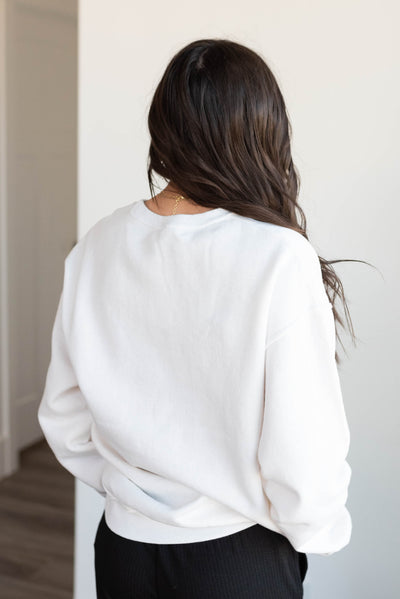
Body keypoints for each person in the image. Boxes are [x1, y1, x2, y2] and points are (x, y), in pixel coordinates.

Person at [37, 38, 359, 598]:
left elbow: (64, 417)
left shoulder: (98, 244)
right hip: (237, 556)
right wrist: (314, 532)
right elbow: (302, 447)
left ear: (162, 126)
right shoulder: (278, 256)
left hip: (122, 550)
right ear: (262, 131)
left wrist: (134, 496)